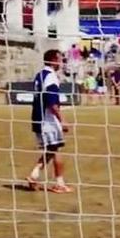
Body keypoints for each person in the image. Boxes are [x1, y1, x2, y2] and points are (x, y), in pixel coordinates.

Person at [25, 49, 72, 193]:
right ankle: (59, 183)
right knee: (56, 149)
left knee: (51, 149)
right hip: (47, 120)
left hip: (38, 118)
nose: (62, 62)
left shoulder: (40, 75)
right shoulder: (50, 77)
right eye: (60, 59)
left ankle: (34, 175)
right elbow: (51, 102)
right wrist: (62, 119)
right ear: (53, 60)